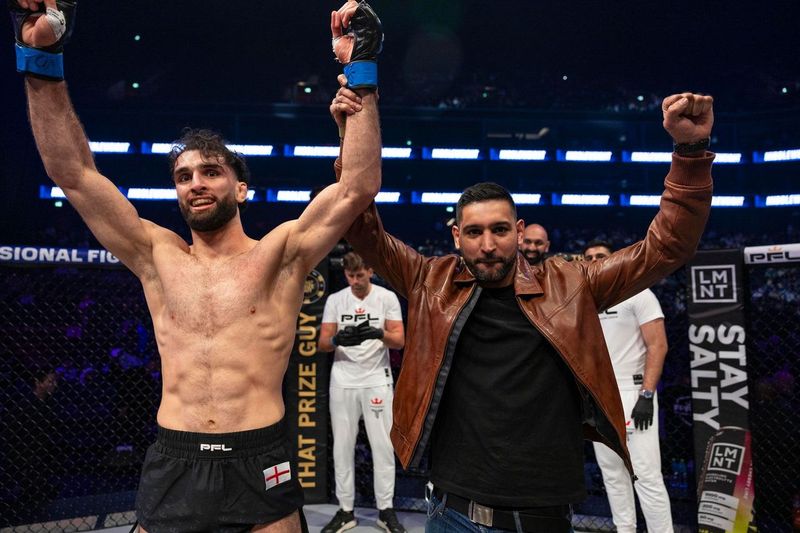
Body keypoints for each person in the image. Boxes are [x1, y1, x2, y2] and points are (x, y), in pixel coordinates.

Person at [10, 0, 383, 530]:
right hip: (177, 454)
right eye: (184, 176)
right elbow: (72, 172)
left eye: (210, 171)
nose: (196, 183)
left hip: (262, 454)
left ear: (241, 187)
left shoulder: (280, 253)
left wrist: (361, 70)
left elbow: (357, 186)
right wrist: (39, 57)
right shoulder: (156, 255)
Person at [333, 82, 714, 532]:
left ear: (518, 230)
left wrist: (690, 151)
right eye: (474, 233)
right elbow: (359, 224)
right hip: (451, 512)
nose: (488, 245)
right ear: (456, 236)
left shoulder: (572, 284)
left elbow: (667, 246)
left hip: (543, 515)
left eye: (499, 230)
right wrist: (353, 131)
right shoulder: (427, 280)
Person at [584, 240, 674, 533]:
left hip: (634, 392)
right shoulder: (585, 301)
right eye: (589, 257)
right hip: (599, 395)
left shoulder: (639, 293)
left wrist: (647, 394)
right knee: (612, 474)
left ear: (615, 260)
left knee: (646, 475)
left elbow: (658, 346)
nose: (595, 260)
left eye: (601, 256)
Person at [318, 252, 406, 533]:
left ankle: (385, 510)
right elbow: (323, 343)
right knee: (342, 447)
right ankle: (345, 511)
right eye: (350, 276)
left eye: (360, 275)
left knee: (382, 446)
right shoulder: (336, 300)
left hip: (376, 380)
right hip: (343, 379)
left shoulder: (386, 298)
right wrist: (337, 339)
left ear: (371, 270)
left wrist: (377, 334)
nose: (355, 281)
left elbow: (399, 340)